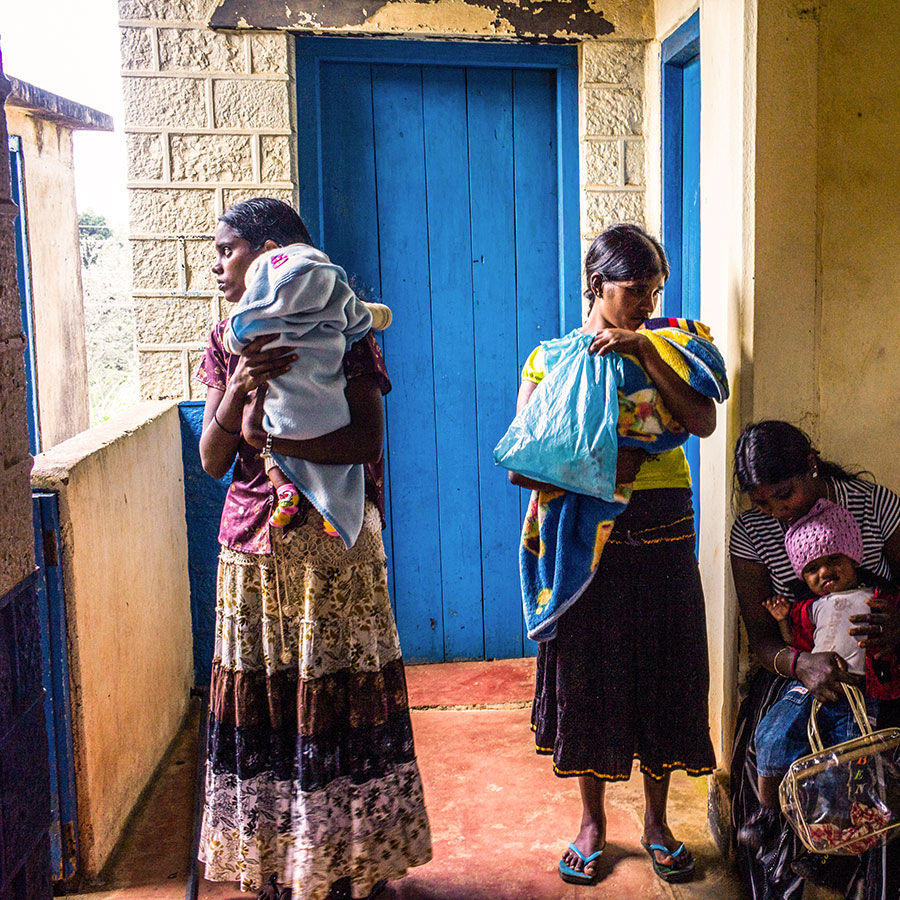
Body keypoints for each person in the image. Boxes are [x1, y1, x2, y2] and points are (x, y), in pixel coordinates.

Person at [196, 198, 432, 900]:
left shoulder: (343, 333)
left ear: (269, 253)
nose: (217, 262)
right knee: (267, 710)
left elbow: (364, 442)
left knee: (340, 709)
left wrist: (277, 443)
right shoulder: (224, 342)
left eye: (227, 248)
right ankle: (277, 868)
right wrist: (238, 389)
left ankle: (353, 866)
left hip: (334, 552)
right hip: (254, 553)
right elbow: (212, 460)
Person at [510, 224, 719, 885]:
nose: (648, 304)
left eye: (655, 291)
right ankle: (593, 822)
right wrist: (613, 458)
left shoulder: (674, 347)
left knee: (663, 672)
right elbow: (526, 458)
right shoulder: (552, 359)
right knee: (590, 680)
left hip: (663, 530)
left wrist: (645, 349)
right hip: (588, 542)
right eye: (635, 292)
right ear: (598, 285)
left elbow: (702, 421)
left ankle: (657, 822)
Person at [730, 420, 900, 898]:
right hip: (798, 671)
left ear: (809, 466)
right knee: (775, 744)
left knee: (877, 764)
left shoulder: (871, 504)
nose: (777, 510)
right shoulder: (752, 532)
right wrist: (799, 662)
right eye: (761, 501)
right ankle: (786, 860)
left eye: (784, 494)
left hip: (881, 669)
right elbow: (761, 639)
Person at [740, 498, 897, 851]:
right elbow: (797, 645)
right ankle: (766, 814)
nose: (824, 572)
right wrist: (782, 619)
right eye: (812, 569)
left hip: (858, 694)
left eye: (833, 561)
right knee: (772, 735)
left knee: (842, 764)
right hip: (806, 688)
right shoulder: (808, 609)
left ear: (854, 557)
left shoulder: (879, 598)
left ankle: (827, 842)